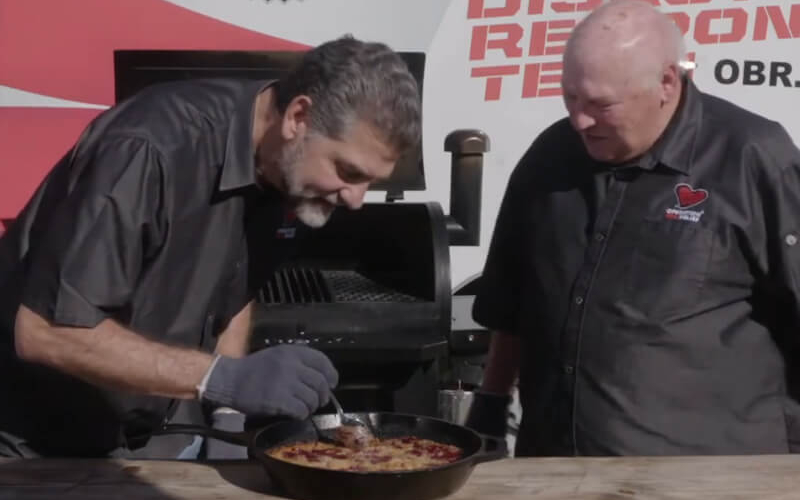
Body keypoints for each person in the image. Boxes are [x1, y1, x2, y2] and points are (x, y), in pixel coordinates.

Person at [0, 36, 421, 458]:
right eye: (349, 171)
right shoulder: (148, 149)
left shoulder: (287, 166)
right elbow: (48, 331)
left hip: (160, 436)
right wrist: (221, 379)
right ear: (299, 117)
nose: (355, 199)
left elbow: (236, 288)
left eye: (371, 181)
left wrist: (226, 414)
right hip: (36, 445)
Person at [465, 0, 800, 456]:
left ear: (666, 82)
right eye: (570, 98)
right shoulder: (550, 157)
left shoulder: (751, 158)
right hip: (555, 471)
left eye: (601, 104)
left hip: (707, 475)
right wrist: (490, 404)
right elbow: (512, 303)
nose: (580, 120)